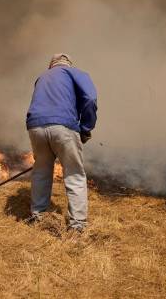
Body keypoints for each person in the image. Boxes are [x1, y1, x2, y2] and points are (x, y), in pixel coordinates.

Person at [25, 53, 97, 233]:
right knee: (74, 174)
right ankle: (77, 225)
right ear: (68, 64)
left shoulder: (42, 77)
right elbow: (90, 98)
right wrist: (86, 127)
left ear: (52, 66)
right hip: (63, 126)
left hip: (35, 126)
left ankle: (38, 216)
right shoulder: (74, 73)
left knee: (41, 171)